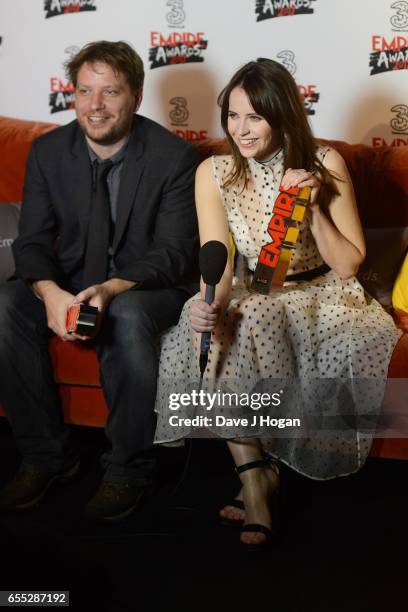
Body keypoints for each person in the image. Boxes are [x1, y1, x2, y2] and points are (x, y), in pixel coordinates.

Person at [154, 58, 401, 549]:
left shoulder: (323, 163)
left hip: (323, 293)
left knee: (257, 312)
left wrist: (311, 216)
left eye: (254, 118)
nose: (240, 131)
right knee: (209, 317)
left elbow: (349, 264)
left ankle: (264, 477)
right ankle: (253, 476)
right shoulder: (215, 171)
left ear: (281, 115)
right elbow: (220, 262)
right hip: (257, 290)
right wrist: (210, 303)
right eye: (232, 116)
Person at [0, 41, 199, 521]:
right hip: (69, 280)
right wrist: (49, 293)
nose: (95, 106)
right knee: (4, 305)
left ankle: (128, 469)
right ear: (72, 95)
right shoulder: (48, 151)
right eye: (85, 91)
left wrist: (110, 290)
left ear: (136, 95)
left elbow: (173, 254)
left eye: (110, 92)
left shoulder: (175, 158)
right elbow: (31, 243)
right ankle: (47, 458)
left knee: (127, 317)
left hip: (145, 288)